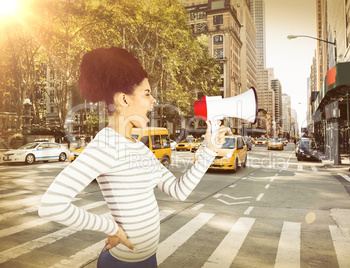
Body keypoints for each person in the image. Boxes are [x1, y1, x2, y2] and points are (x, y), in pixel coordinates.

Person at [38, 47, 225, 267]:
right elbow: (51, 205)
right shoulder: (106, 145)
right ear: (124, 100)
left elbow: (179, 190)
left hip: (148, 259)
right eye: (147, 93)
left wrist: (210, 150)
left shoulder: (139, 147)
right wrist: (111, 228)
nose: (154, 100)